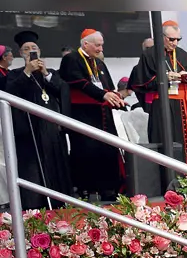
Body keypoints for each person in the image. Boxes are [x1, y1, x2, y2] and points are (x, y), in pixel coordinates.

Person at [5, 30, 72, 209]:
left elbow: (62, 90)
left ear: (40, 51)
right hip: (27, 131)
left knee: (56, 168)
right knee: (31, 170)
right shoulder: (14, 74)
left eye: (33, 48)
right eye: (26, 49)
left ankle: (60, 205)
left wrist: (45, 74)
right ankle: (33, 209)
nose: (30, 51)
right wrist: (27, 71)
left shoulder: (51, 73)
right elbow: (10, 92)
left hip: (50, 131)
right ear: (21, 54)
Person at [58, 29, 125, 204]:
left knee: (108, 148)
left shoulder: (99, 64)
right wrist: (103, 95)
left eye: (102, 44)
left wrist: (116, 99)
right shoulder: (71, 59)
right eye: (97, 44)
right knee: (86, 150)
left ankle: (108, 188)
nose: (100, 48)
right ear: (85, 44)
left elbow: (108, 87)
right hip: (83, 115)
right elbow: (79, 82)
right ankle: (86, 188)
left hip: (102, 113)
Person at [133, 21, 187, 165]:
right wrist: (165, 77)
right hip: (163, 105)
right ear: (161, 37)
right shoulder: (150, 54)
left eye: (178, 39)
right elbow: (142, 82)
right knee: (166, 142)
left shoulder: (181, 54)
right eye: (171, 39)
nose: (175, 43)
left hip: (184, 105)